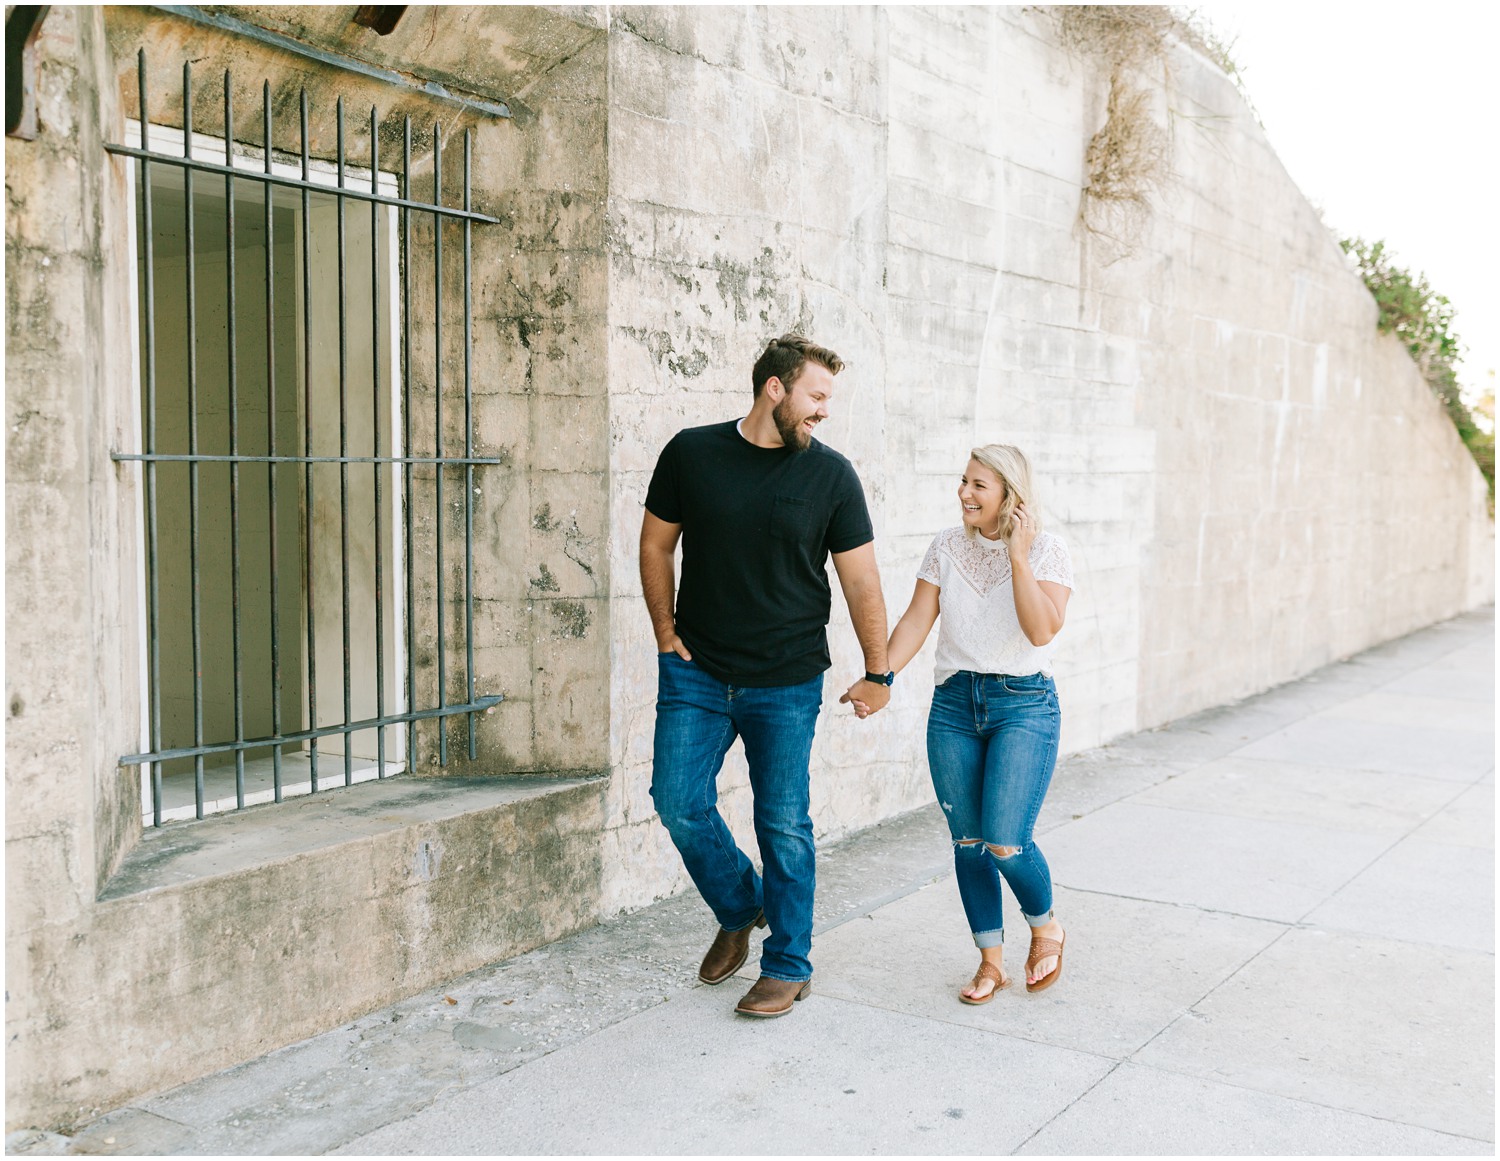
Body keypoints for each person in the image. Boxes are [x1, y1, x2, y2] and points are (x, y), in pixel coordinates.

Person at [639, 335, 893, 1018]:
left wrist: (880, 670)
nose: (824, 412)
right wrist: (665, 634)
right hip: (697, 671)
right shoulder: (692, 453)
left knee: (782, 820)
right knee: (676, 798)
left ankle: (788, 961)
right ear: (774, 389)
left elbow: (861, 579)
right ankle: (740, 904)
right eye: (815, 396)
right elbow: (656, 543)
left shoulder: (831, 476)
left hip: (785, 678)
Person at [845, 443, 1073, 1002]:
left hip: (1023, 706)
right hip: (954, 706)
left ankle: (1045, 928)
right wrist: (882, 676)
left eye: (979, 486)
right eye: (964, 481)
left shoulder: (1048, 551)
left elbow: (1042, 631)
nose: (964, 493)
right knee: (968, 843)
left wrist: (1018, 557)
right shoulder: (946, 547)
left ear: (1010, 497)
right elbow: (918, 619)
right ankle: (990, 961)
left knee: (1005, 842)